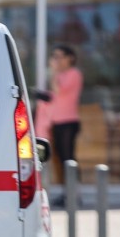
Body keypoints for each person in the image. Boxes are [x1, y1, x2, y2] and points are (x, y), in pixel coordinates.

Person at [39, 44, 83, 185]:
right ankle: (67, 192)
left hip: (68, 122)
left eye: (59, 56)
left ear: (70, 58)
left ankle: (75, 193)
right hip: (57, 122)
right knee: (60, 158)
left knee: (68, 158)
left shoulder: (74, 74)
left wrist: (53, 71)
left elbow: (59, 90)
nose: (56, 60)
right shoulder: (60, 75)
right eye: (54, 56)